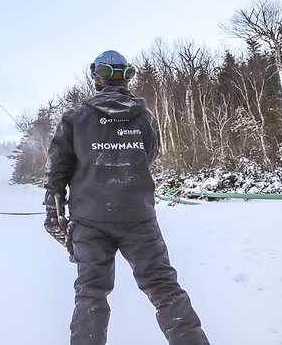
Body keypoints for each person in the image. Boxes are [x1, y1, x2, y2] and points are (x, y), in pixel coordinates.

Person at [43, 50, 210, 345]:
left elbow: (57, 172)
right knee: (164, 288)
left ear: (98, 77)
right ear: (126, 77)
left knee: (90, 293)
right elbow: (149, 156)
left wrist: (54, 215)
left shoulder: (75, 118)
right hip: (139, 219)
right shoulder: (145, 117)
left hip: (90, 221)